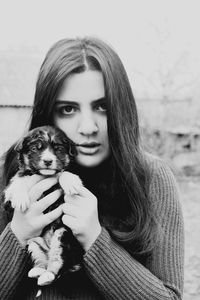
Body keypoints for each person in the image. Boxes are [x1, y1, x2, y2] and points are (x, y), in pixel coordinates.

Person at [0, 37, 184, 300]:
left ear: (122, 109)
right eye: (67, 109)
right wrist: (17, 234)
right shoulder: (10, 174)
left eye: (102, 107)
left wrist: (96, 240)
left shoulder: (152, 177)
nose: (88, 127)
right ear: (47, 114)